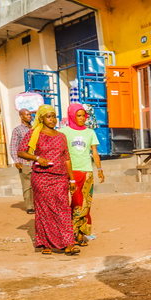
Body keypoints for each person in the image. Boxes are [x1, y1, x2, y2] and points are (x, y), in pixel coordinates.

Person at [18, 104, 78, 255]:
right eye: (49, 116)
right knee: (45, 211)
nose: (52, 120)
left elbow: (67, 159)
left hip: (60, 177)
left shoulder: (61, 136)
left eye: (54, 116)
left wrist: (71, 180)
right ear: (42, 118)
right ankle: (45, 243)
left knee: (63, 209)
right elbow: (21, 152)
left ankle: (68, 243)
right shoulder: (34, 134)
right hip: (41, 177)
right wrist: (37, 157)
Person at [58, 103, 103, 247]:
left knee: (86, 204)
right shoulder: (64, 132)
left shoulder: (90, 133)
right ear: (72, 115)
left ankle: (81, 233)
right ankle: (71, 232)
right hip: (71, 173)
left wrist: (100, 169)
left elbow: (94, 152)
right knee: (76, 203)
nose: (82, 118)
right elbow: (60, 153)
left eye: (84, 115)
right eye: (79, 115)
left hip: (87, 172)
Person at [10, 108, 35, 214]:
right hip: (25, 162)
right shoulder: (17, 130)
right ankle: (29, 206)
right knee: (27, 185)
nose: (29, 116)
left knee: (37, 185)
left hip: (37, 161)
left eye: (30, 114)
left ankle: (38, 205)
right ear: (21, 116)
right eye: (27, 115)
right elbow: (13, 146)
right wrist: (16, 160)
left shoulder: (35, 128)